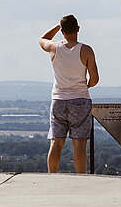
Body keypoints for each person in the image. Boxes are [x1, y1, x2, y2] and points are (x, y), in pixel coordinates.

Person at [39, 14, 99, 173]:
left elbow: (42, 39)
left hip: (58, 99)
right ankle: (81, 176)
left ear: (63, 32)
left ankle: (52, 175)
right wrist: (85, 85)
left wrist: (58, 26)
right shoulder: (86, 50)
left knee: (56, 142)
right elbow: (94, 79)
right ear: (78, 29)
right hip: (80, 99)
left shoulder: (54, 47)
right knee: (79, 143)